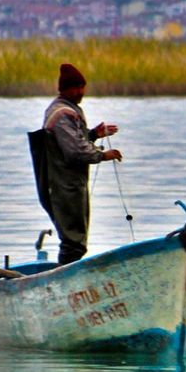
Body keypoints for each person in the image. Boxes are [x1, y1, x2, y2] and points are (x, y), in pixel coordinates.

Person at [36, 62, 121, 264]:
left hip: (70, 185)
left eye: (82, 87)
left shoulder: (69, 109)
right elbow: (75, 152)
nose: (80, 91)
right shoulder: (62, 113)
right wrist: (103, 155)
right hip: (64, 186)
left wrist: (93, 134)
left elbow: (74, 141)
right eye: (75, 87)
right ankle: (64, 280)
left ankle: (65, 276)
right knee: (73, 242)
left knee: (75, 241)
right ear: (64, 89)